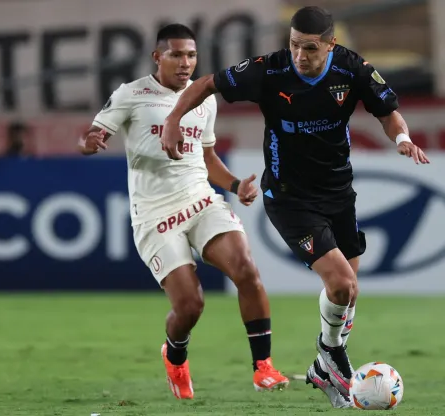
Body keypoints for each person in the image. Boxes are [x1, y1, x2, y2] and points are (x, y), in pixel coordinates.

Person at [160, 7, 429, 408]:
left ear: (330, 45)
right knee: (342, 284)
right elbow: (207, 83)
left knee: (347, 295)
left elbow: (387, 112)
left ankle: (324, 362)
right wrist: (174, 119)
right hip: (289, 198)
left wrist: (402, 138)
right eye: (294, 45)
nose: (300, 55)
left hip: (339, 193)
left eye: (310, 48)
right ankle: (332, 356)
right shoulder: (269, 71)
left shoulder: (352, 69)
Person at [77, 23, 289, 400]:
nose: (185, 62)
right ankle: (174, 355)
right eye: (176, 54)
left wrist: (235, 184)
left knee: (246, 269)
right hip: (155, 215)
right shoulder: (132, 94)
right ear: (157, 57)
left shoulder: (203, 99)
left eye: (191, 55)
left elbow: (205, 156)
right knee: (191, 305)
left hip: (201, 200)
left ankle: (263, 367)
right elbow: (94, 133)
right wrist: (90, 141)